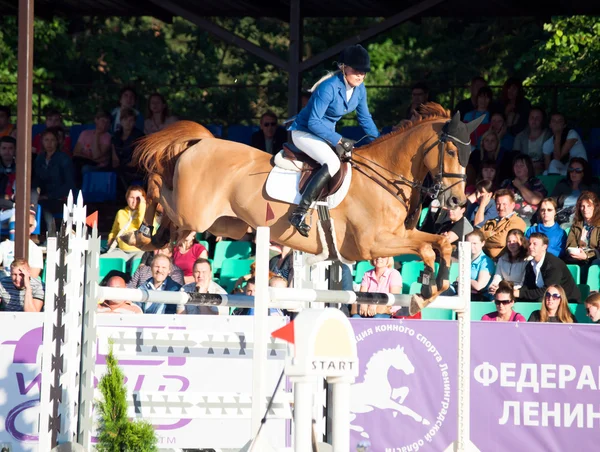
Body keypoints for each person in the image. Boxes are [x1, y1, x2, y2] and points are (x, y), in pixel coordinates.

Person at [287, 44, 379, 237]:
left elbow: (365, 118)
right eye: (355, 70)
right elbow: (313, 121)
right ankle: (300, 213)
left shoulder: (360, 89)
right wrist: (339, 139)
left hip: (324, 134)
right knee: (332, 162)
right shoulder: (328, 87)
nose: (360, 75)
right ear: (343, 67)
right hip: (304, 132)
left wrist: (379, 141)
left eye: (363, 72)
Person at [32, 128, 76, 236]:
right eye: (46, 140)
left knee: (45, 207)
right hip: (42, 196)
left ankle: (50, 235)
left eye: (52, 140)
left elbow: (69, 184)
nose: (49, 143)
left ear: (57, 142)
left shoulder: (64, 159)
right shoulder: (39, 158)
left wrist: (48, 196)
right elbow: (36, 180)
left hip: (60, 198)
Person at [517, 233, 580, 303]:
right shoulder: (530, 264)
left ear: (544, 247)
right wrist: (516, 293)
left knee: (539, 300)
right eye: (529, 243)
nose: (530, 247)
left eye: (535, 244)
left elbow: (548, 290)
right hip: (546, 297)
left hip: (566, 299)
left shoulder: (553, 264)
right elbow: (527, 286)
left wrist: (520, 294)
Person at [500, 154, 547, 226]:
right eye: (516, 165)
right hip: (507, 218)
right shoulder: (507, 183)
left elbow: (535, 200)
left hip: (528, 219)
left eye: (521, 166)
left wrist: (520, 186)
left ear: (528, 168)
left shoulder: (535, 182)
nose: (518, 168)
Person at [105, 186, 146, 267]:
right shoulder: (121, 213)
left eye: (138, 198)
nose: (135, 201)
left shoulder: (148, 214)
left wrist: (142, 208)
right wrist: (110, 239)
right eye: (132, 197)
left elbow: (144, 228)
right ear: (127, 198)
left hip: (140, 251)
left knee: (137, 263)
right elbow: (114, 231)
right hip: (122, 251)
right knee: (101, 259)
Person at [552, 158, 600, 227]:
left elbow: (597, 204)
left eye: (578, 170)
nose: (574, 173)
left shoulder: (592, 186)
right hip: (561, 216)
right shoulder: (562, 185)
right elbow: (551, 201)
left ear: (584, 172)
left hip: (582, 217)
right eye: (571, 170)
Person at [479, 189, 526, 259]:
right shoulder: (490, 222)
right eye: (498, 204)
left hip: (503, 261)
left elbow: (502, 241)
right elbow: (478, 237)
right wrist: (490, 234)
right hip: (484, 260)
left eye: (504, 204)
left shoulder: (517, 222)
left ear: (513, 205)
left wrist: (483, 241)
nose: (501, 208)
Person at [563, 191, 600, 279]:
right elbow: (570, 244)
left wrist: (586, 255)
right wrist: (575, 252)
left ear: (595, 207)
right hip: (577, 257)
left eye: (588, 206)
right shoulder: (576, 225)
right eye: (582, 206)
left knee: (593, 265)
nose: (585, 209)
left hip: (594, 258)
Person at [71, 111, 112, 187]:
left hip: (99, 165)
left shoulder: (108, 137)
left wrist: (96, 135)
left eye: (107, 122)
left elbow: (96, 155)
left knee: (85, 169)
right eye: (103, 121)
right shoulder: (85, 133)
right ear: (96, 120)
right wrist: (90, 158)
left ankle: (81, 189)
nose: (105, 124)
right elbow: (76, 152)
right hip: (82, 161)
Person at [111, 107, 145, 194]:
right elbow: (114, 155)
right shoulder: (116, 135)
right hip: (119, 166)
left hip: (135, 167)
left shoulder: (139, 136)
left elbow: (137, 158)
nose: (128, 123)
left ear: (134, 122)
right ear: (121, 121)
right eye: (125, 119)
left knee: (122, 173)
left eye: (131, 120)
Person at [0, 211, 44, 278]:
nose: (26, 227)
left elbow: (33, 277)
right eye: (23, 224)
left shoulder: (35, 250)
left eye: (29, 225)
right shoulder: (4, 245)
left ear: (33, 228)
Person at [488, 229, 528, 296]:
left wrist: (504, 289)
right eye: (509, 241)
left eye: (514, 241)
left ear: (521, 242)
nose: (511, 244)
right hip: (503, 291)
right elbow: (497, 276)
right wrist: (493, 287)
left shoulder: (527, 260)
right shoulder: (502, 259)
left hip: (518, 293)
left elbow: (523, 283)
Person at [512, 107, 552, 175]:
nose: (534, 120)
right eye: (532, 117)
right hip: (524, 170)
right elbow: (515, 157)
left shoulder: (549, 136)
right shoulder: (520, 136)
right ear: (528, 119)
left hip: (542, 170)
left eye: (537, 118)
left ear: (542, 120)